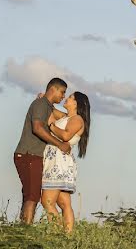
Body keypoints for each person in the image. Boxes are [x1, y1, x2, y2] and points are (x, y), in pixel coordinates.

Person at [13, 77, 72, 224]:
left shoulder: (46, 106)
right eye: (62, 92)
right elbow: (37, 128)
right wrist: (60, 144)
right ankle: (25, 232)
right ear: (53, 89)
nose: (63, 96)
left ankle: (22, 231)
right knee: (32, 197)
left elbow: (67, 117)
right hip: (29, 155)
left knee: (30, 196)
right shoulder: (40, 104)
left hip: (34, 156)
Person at [40, 91, 91, 233]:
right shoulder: (67, 117)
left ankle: (58, 235)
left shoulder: (77, 119)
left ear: (76, 103)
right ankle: (68, 236)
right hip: (57, 160)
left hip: (58, 163)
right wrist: (44, 100)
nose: (66, 98)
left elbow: (66, 135)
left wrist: (51, 126)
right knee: (64, 203)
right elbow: (51, 111)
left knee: (47, 202)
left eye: (70, 97)